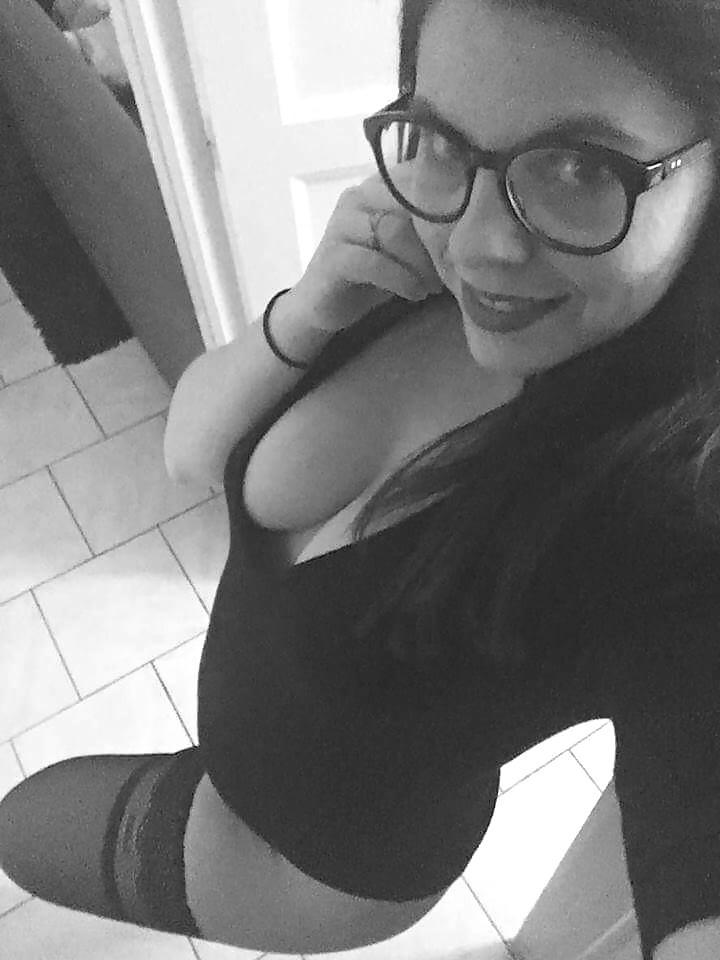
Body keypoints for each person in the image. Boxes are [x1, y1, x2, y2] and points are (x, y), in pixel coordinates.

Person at [1, 0, 720, 957]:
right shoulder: (407, 261)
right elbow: (190, 452)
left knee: (22, 828)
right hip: (242, 756)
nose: (478, 243)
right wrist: (308, 310)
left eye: (583, 169)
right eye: (444, 139)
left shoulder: (680, 514)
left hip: (319, 866)